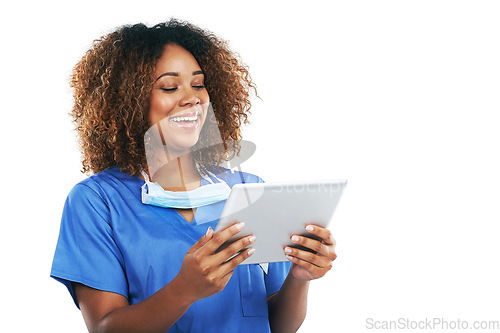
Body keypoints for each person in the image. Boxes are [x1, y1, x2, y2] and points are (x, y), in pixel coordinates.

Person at [51, 19, 337, 333]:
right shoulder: (97, 202)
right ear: (128, 101)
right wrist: (183, 290)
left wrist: (299, 277)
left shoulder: (249, 189)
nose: (193, 98)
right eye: (170, 86)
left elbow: (278, 326)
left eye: (198, 84)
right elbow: (105, 327)